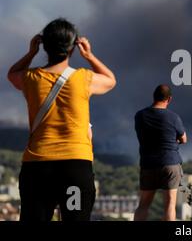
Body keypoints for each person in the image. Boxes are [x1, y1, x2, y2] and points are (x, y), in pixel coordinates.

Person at [7, 18, 116, 221]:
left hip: (38, 166)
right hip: (75, 166)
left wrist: (31, 53)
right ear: (73, 48)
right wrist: (89, 56)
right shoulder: (83, 79)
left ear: (44, 46)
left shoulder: (30, 78)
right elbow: (110, 80)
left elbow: (12, 74)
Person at [134, 85, 187, 221]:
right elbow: (184, 139)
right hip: (170, 163)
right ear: (169, 99)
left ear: (154, 96)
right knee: (169, 206)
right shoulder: (173, 117)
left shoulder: (140, 116)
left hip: (148, 163)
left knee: (143, 205)